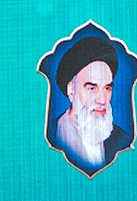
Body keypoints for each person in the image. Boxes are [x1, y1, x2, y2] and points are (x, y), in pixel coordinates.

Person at [52, 36, 131, 176]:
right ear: (71, 90)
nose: (102, 100)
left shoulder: (122, 140)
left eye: (107, 88)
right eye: (92, 88)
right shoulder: (51, 134)